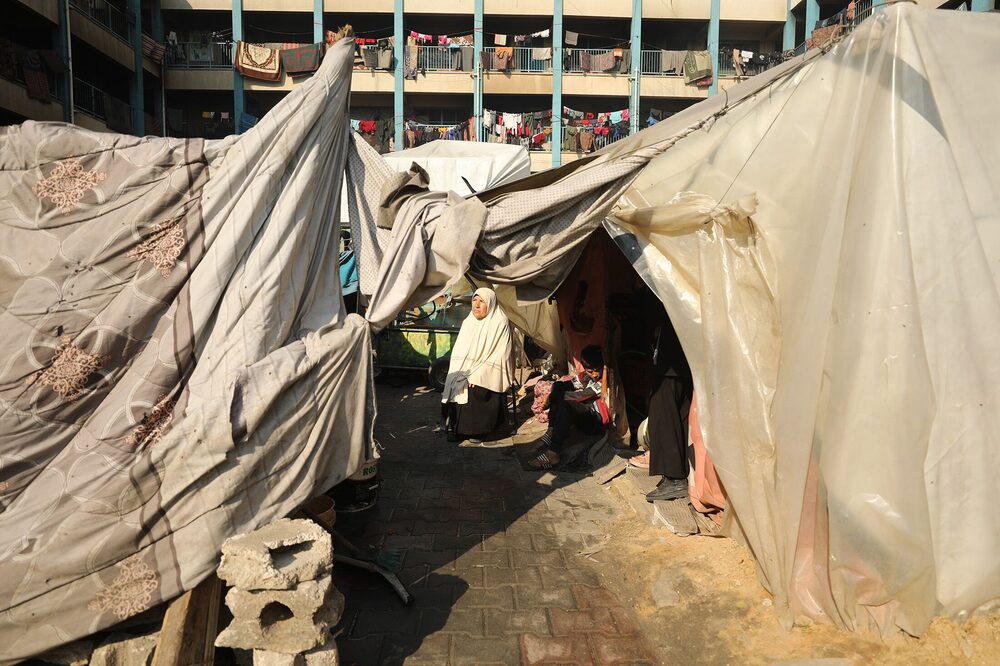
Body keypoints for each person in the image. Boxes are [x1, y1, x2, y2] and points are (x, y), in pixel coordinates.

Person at [440, 288, 514, 442]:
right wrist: (457, 372)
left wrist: (476, 375)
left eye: (482, 301)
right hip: (466, 370)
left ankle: (477, 431)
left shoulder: (500, 322)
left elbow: (501, 355)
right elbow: (458, 352)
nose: (477, 305)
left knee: (474, 387)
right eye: (474, 300)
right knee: (454, 383)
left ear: (491, 303)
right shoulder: (468, 322)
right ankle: (457, 429)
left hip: (487, 371)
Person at [528, 345, 610, 469]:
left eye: (597, 370)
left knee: (565, 404)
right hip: (585, 412)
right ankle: (551, 431)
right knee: (559, 386)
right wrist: (554, 392)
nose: (594, 374)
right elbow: (568, 384)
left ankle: (553, 453)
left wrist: (551, 398)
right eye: (590, 371)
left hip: (597, 420)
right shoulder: (586, 376)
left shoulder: (604, 380)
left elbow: (581, 396)